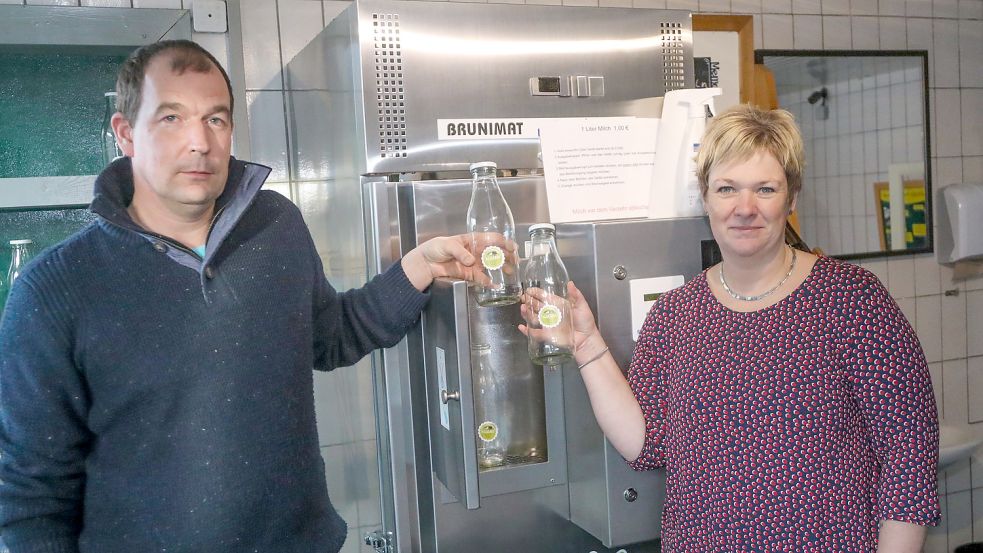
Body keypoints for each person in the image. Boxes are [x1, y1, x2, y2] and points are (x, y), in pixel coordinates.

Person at [0, 40, 487, 552]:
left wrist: (419, 266)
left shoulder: (276, 225)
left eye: (216, 119)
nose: (199, 142)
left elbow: (330, 336)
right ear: (126, 134)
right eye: (171, 118)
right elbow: (31, 499)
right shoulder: (54, 289)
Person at [524, 104, 940, 551]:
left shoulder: (850, 299)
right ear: (705, 198)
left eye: (765, 189)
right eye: (727, 189)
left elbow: (909, 455)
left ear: (791, 198)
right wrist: (588, 348)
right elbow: (646, 444)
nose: (745, 208)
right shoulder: (676, 313)